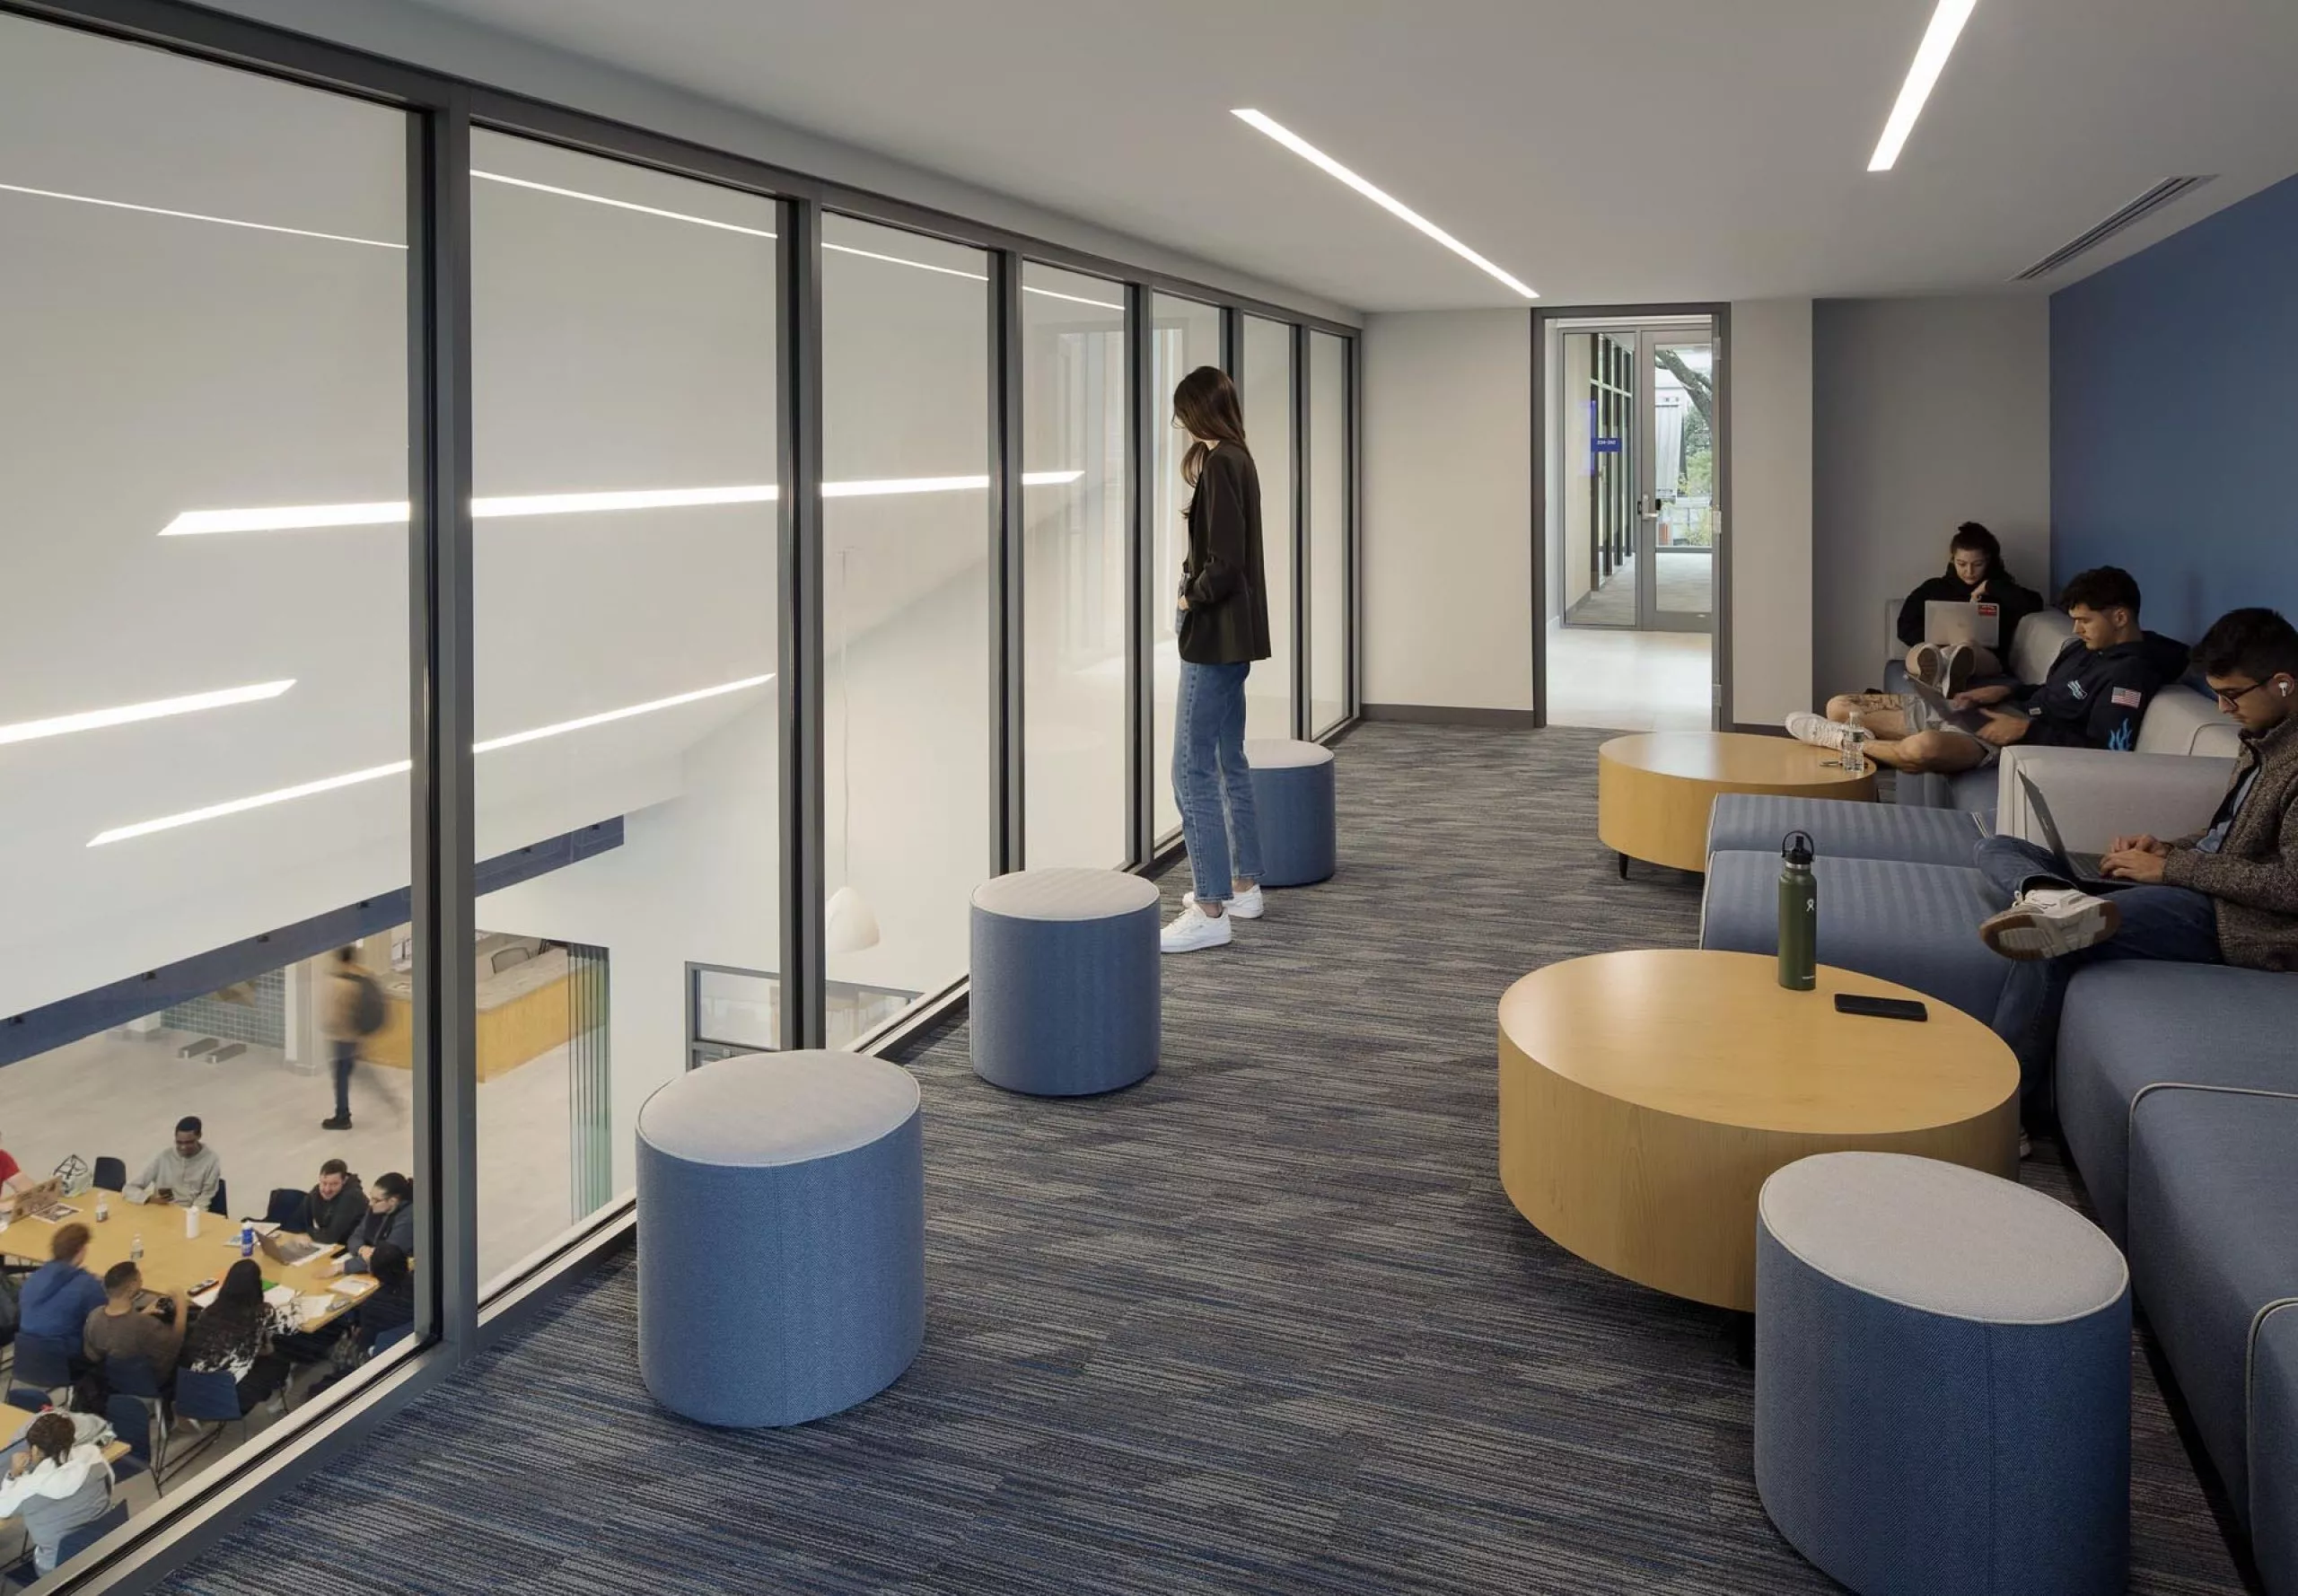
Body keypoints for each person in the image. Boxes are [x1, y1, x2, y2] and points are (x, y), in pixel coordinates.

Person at [1976, 607, 2298, 1102]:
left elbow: (2289, 885)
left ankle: (2004, 1106)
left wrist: (2172, 867)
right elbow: (2229, 836)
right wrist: (2167, 847)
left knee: (2050, 940)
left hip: (2236, 920)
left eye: (2230, 694)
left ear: (2282, 683)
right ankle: (2051, 894)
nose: (2221, 707)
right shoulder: (2262, 738)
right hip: (2198, 883)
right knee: (1997, 847)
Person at [1788, 566, 2187, 776]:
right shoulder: (2082, 648)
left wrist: (2026, 731)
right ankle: (1853, 727)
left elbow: (2108, 754)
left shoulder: (2130, 675)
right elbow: (2047, 692)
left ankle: (1841, 743)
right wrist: (2004, 691)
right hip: (2002, 712)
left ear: (2120, 616)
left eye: (2084, 621)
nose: (2076, 629)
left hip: (2016, 738)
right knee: (1841, 704)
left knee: (1920, 750)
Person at [1160, 365, 1272, 956]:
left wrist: (1188, 594)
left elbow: (1224, 563)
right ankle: (1243, 885)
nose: (1177, 420)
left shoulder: (1223, 462)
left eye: (1183, 409)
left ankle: (1209, 908)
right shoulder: (1235, 457)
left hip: (1214, 637)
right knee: (1229, 758)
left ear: (1200, 411)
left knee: (1190, 768)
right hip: (1233, 639)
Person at [1886, 522, 2046, 694]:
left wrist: (1991, 587)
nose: (1969, 571)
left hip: (1983, 656)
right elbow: (1904, 625)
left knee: (1966, 646)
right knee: (1922, 651)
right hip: (1936, 648)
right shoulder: (1934, 587)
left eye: (1977, 564)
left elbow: (2035, 603)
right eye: (1962, 564)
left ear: (1989, 561)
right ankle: (1939, 668)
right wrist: (1937, 641)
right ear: (1952, 559)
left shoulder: (2001, 590)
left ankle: (1952, 671)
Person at [0, 1412, 114, 1576]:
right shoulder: (94, 1458)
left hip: (58, 1567)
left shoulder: (28, 1486)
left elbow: (3, 1509)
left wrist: (13, 1474)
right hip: (101, 1545)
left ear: (35, 1449)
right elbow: (110, 1487)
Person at [180, 1258, 289, 1414]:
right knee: (279, 1362)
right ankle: (274, 1400)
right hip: (229, 1397)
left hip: (194, 1388)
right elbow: (289, 1328)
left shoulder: (210, 1311)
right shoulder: (261, 1312)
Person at [83, 1260, 187, 1387]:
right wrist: (182, 1306)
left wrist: (141, 1314)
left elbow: (94, 1355)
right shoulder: (146, 1326)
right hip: (148, 1383)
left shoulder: (94, 1317)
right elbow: (174, 1346)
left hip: (111, 1382)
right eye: (139, 1279)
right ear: (132, 1287)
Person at [319, 946, 384, 1132]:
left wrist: (329, 1028)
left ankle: (342, 1116)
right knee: (350, 1073)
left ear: (340, 960)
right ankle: (388, 1102)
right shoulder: (364, 978)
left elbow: (333, 1017)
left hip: (342, 1038)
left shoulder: (340, 983)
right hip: (357, 1037)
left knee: (341, 1077)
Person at [18, 1223, 108, 1346]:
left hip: (27, 1352)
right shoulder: (86, 1285)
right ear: (82, 1249)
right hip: (65, 1356)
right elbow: (105, 1321)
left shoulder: (34, 1278)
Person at [124, 1116, 222, 1212]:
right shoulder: (164, 1156)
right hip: (162, 1212)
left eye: (189, 1142)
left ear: (199, 1136)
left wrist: (190, 1216)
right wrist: (149, 1198)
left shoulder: (211, 1160)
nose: (183, 1147)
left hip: (191, 1213)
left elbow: (205, 1198)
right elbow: (129, 1188)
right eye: (179, 1142)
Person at [326, 1172, 412, 1276]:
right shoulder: (376, 1209)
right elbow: (355, 1237)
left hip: (394, 1272)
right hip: (368, 1265)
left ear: (392, 1201)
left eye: (376, 1200)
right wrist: (361, 1249)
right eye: (371, 1197)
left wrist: (343, 1267)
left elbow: (388, 1257)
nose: (370, 1203)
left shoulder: (408, 1218)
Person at [352, 1243, 414, 1348]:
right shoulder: (424, 1286)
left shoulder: (373, 1305)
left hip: (388, 1350)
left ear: (372, 1271)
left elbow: (367, 1341)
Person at [303, 1160, 367, 1249]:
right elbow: (300, 1218)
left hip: (356, 1247)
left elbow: (331, 1237)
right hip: (336, 1245)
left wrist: (307, 1233)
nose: (327, 1189)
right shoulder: (317, 1191)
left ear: (344, 1180)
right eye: (324, 1183)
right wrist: (304, 1232)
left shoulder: (352, 1197)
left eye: (334, 1184)